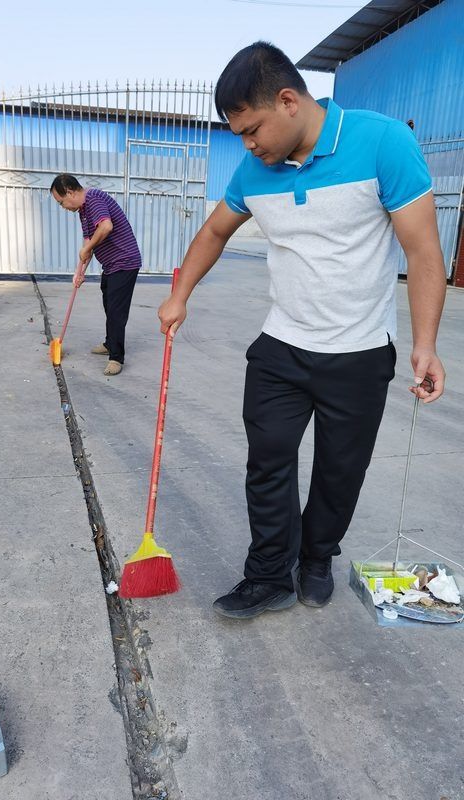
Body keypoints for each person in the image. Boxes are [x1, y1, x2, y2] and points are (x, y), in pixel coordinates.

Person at [158, 42, 446, 619]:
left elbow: (422, 252)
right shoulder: (255, 170)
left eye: (251, 129)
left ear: (288, 101)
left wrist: (425, 344)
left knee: (339, 472)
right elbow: (214, 233)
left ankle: (316, 559)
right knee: (267, 460)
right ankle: (268, 575)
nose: (247, 144)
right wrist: (178, 295)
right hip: (281, 346)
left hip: (358, 353)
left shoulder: (383, 143)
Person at [51, 174, 142, 376]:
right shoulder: (83, 211)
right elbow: (88, 243)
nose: (63, 207)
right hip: (111, 264)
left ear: (70, 192)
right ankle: (110, 343)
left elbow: (106, 226)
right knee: (109, 305)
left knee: (116, 311)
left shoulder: (94, 198)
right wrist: (79, 273)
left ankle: (116, 358)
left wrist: (89, 247)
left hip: (125, 262)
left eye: (61, 202)